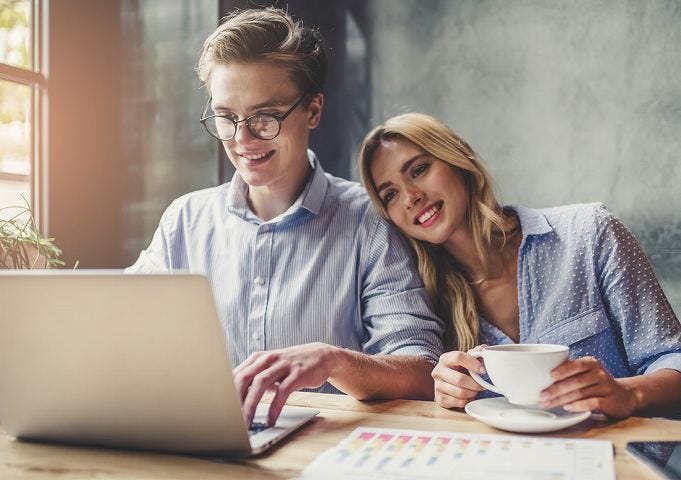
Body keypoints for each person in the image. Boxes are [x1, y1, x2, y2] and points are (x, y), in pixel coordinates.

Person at [126, 10, 444, 427]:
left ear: (312, 111)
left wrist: (332, 360)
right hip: (200, 446)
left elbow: (422, 371)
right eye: (226, 117)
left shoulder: (369, 220)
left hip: (326, 454)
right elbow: (122, 330)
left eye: (265, 117)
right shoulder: (185, 219)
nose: (242, 139)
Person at [358, 112, 681, 419]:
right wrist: (444, 391)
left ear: (459, 158)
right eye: (390, 194)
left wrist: (628, 394)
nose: (410, 197)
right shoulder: (422, 303)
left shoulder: (589, 233)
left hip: (618, 465)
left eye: (418, 170)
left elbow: (670, 358)